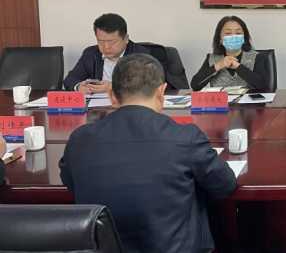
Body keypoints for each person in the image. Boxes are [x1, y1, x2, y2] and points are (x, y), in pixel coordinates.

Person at [59, 54, 237, 253]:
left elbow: (71, 183)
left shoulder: (79, 138)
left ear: (112, 96)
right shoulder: (185, 136)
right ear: (161, 92)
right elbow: (224, 185)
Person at [64, 13, 149, 92]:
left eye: (112, 42)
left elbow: (146, 84)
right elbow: (70, 79)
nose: (106, 47)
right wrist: (79, 87)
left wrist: (113, 87)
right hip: (96, 102)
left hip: (127, 102)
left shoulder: (140, 55)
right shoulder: (90, 54)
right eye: (101, 41)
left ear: (126, 38)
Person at [191, 16, 269, 90]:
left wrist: (238, 67)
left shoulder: (256, 57)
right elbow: (195, 85)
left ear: (244, 38)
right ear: (220, 39)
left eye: (238, 33)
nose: (233, 37)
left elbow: (262, 85)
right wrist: (218, 66)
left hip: (247, 100)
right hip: (221, 100)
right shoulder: (212, 58)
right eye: (228, 33)